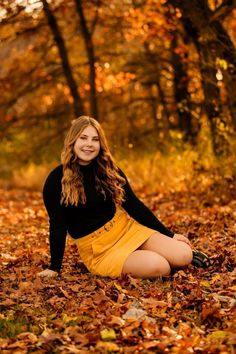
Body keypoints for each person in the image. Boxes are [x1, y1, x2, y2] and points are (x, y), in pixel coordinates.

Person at [38, 116, 209, 279]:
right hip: (100, 250)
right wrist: (54, 267)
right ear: (73, 141)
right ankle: (149, 260)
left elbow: (134, 205)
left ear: (101, 144)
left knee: (184, 255)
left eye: (95, 139)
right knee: (160, 267)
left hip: (125, 228)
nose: (89, 144)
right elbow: (57, 226)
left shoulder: (109, 170)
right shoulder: (56, 180)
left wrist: (169, 235)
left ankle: (161, 256)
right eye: (83, 138)